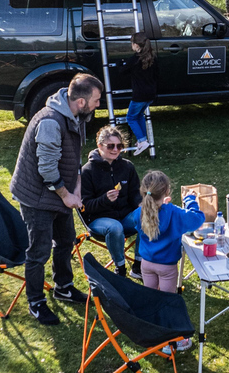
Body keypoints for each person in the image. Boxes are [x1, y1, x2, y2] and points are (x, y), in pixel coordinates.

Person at [10, 73, 104, 326]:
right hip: (37, 197)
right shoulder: (51, 122)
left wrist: (77, 189)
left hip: (59, 193)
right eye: (96, 100)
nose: (99, 104)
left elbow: (74, 157)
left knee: (65, 241)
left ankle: (63, 287)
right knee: (38, 252)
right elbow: (47, 169)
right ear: (81, 101)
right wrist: (66, 195)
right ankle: (36, 302)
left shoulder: (76, 116)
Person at [131, 170, 205, 352]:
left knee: (151, 299)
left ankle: (151, 332)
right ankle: (169, 342)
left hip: (146, 264)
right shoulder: (173, 212)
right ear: (166, 191)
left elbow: (138, 223)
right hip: (167, 267)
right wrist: (190, 200)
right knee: (167, 303)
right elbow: (197, 219)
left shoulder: (139, 212)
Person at [81, 126, 143, 279]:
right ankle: (120, 269)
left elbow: (136, 194)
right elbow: (85, 206)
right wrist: (104, 200)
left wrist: (141, 204)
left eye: (119, 146)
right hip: (98, 219)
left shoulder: (127, 166)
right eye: (110, 146)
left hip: (125, 216)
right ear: (99, 146)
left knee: (147, 215)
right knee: (115, 227)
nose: (115, 150)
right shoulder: (87, 171)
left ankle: (138, 266)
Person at [120, 32, 159, 156]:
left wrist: (121, 63)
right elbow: (156, 74)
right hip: (151, 94)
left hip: (139, 95)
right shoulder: (153, 57)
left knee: (130, 117)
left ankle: (142, 141)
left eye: (132, 43)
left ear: (136, 45)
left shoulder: (134, 60)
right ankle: (143, 139)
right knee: (139, 115)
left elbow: (122, 71)